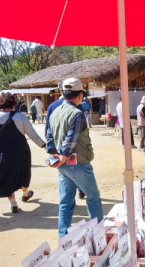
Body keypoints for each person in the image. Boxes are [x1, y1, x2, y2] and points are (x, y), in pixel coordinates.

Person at [45, 78, 103, 237]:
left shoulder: (54, 111)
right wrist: (64, 155)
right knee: (93, 197)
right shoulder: (77, 114)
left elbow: (49, 136)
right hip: (78, 163)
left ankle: (62, 237)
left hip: (62, 165)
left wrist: (54, 155)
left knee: (65, 203)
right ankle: (98, 234)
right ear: (80, 95)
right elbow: (71, 139)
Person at [0, 92, 46, 213]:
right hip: (20, 151)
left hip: (2, 152)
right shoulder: (20, 117)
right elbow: (33, 135)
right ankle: (25, 194)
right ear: (13, 104)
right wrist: (45, 146)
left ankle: (13, 204)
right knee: (24, 173)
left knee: (7, 177)